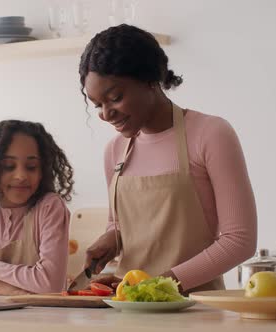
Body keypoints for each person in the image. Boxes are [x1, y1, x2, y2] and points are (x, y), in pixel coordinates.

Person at [78, 25, 257, 293]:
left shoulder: (210, 133)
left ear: (151, 79)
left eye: (115, 98)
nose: (106, 113)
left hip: (196, 309)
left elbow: (239, 240)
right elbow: (120, 224)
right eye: (97, 105)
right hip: (129, 305)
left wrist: (161, 285)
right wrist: (112, 239)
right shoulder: (115, 150)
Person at [0, 120, 74, 295]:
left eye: (31, 167)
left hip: (43, 320)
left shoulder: (49, 207)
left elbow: (50, 284)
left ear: (43, 169)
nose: (21, 176)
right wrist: (1, 287)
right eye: (8, 167)